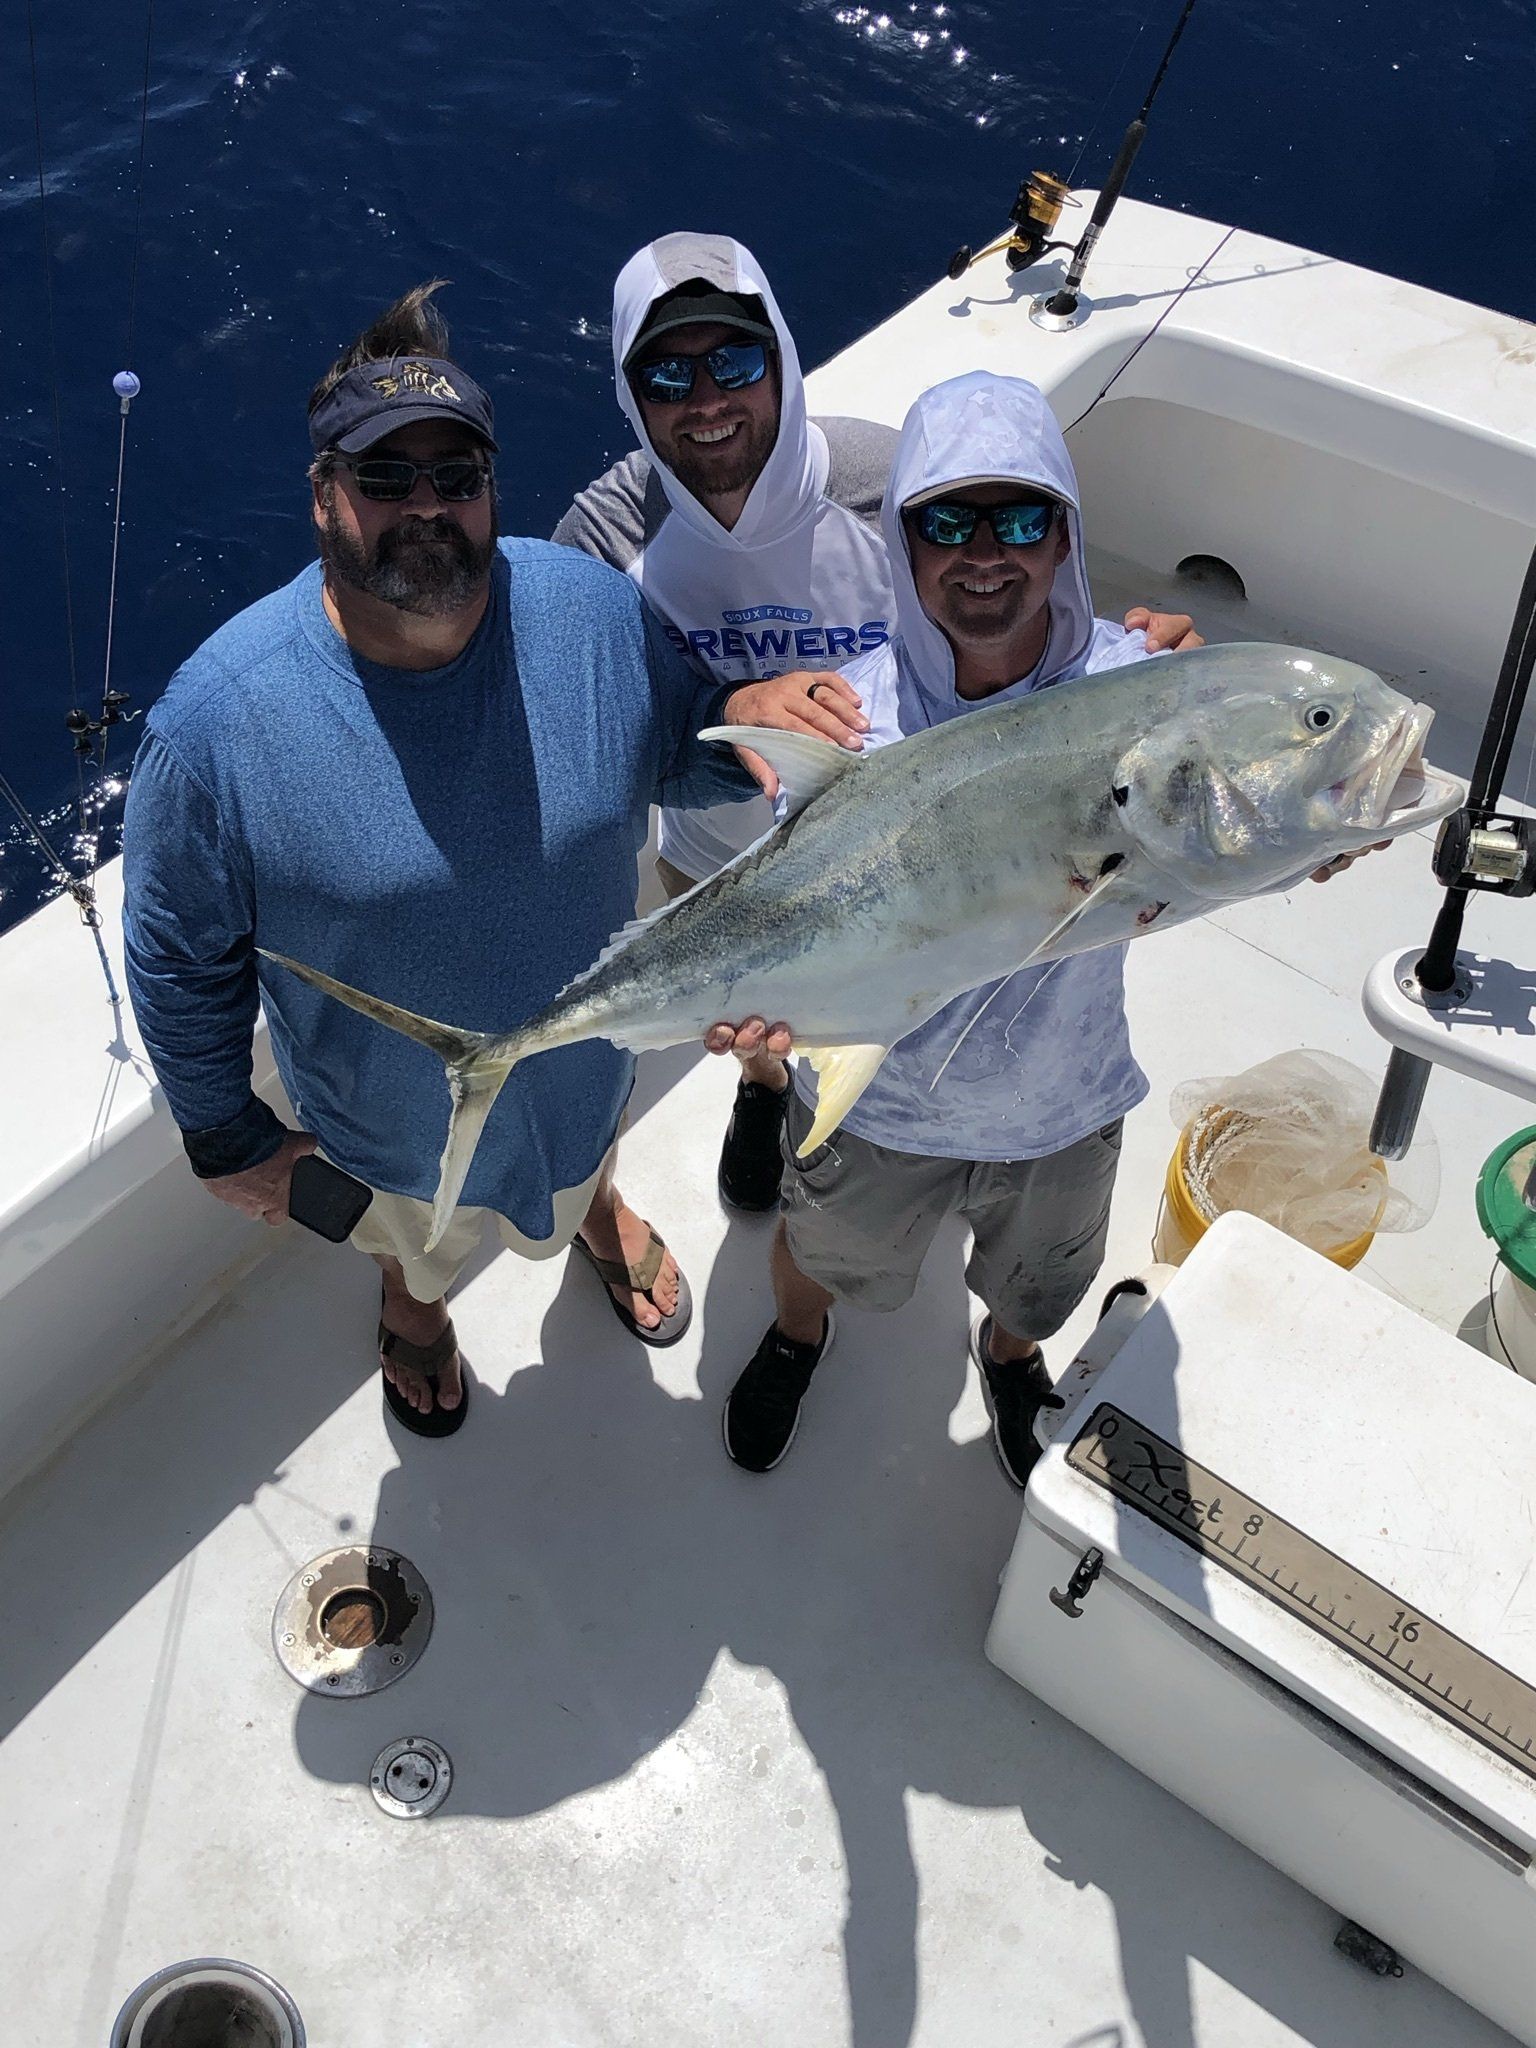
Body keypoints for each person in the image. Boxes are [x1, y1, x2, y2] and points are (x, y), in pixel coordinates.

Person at [121, 282, 863, 1439]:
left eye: (455, 477)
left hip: (581, 1066)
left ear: (490, 488)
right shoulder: (214, 727)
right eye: (385, 477)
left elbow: (678, 744)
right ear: (322, 496)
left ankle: (597, 1213)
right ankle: (413, 1313)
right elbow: (178, 962)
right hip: (391, 1123)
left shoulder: (594, 613)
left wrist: (747, 716)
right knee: (414, 1245)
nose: (428, 506)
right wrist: (227, 1138)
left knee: (588, 1147)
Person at [555, 232, 1198, 1214]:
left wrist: (1144, 669)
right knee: (767, 1037)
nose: (708, 400)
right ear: (628, 392)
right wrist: (725, 719)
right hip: (713, 866)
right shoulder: (604, 538)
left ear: (779, 356)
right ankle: (765, 1094)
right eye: (668, 374)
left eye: (735, 360)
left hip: (898, 863)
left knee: (896, 1010)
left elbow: (1007, 605)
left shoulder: (882, 480)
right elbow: (576, 740)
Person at [709, 370, 1195, 1487]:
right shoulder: (846, 720)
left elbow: (1248, 806)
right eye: (946, 521)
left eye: (1022, 518)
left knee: (1039, 1284)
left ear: (1066, 535)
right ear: (903, 540)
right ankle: (797, 1335)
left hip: (1062, 1100)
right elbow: (793, 917)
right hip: (875, 1099)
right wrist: (753, 1025)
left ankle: (1010, 1353)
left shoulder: (1146, 691)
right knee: (818, 1250)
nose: (986, 552)